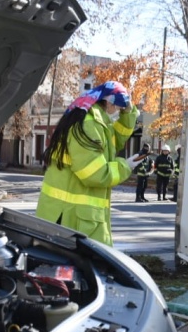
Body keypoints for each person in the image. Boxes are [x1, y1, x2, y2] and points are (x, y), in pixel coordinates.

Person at [36, 81, 139, 246]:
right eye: (119, 107)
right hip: (71, 220)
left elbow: (115, 141)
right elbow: (96, 175)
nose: (118, 111)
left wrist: (129, 112)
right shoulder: (88, 125)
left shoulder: (94, 120)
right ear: (109, 103)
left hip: (69, 216)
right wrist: (125, 166)